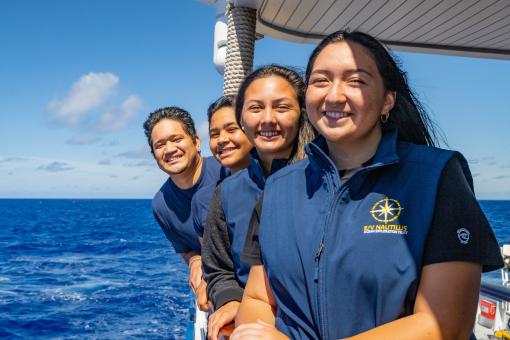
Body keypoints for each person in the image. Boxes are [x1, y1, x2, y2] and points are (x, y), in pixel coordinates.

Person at [233, 31, 503, 340]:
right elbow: (258, 298)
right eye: (320, 81)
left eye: (356, 81)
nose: (334, 96)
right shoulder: (278, 189)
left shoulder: (437, 176)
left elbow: (445, 324)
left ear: (388, 100)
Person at [202, 65, 315, 340]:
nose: (267, 119)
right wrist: (230, 299)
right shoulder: (228, 193)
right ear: (242, 119)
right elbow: (218, 268)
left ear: (303, 113)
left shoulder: (324, 181)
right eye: (255, 109)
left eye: (282, 108)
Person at [143, 106, 227, 310]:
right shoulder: (161, 204)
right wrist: (195, 261)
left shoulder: (227, 173)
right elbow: (187, 248)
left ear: (196, 142)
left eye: (177, 139)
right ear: (154, 154)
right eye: (160, 145)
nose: (170, 149)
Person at [191, 95, 252, 240]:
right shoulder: (203, 200)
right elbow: (211, 258)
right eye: (214, 134)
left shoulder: (278, 184)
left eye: (232, 129)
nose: (222, 140)